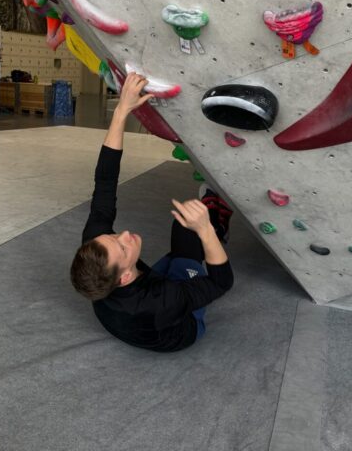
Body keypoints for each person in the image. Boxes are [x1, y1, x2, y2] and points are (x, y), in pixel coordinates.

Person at [70, 72, 234, 352]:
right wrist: (205, 228)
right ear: (124, 277)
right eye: (122, 247)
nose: (124, 235)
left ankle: (203, 234)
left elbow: (105, 182)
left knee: (183, 234)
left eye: (113, 237)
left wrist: (122, 110)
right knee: (190, 232)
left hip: (138, 302)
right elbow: (222, 283)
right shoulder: (161, 300)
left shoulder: (98, 253)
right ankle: (218, 225)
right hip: (182, 331)